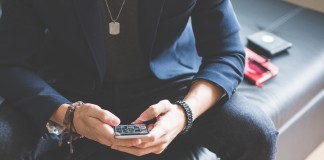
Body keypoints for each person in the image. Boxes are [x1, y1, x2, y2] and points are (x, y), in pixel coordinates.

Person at [0, 0, 278, 159]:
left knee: (256, 133)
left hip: (169, 87)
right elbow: (9, 63)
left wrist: (184, 113)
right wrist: (67, 114)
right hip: (69, 87)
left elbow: (227, 52)